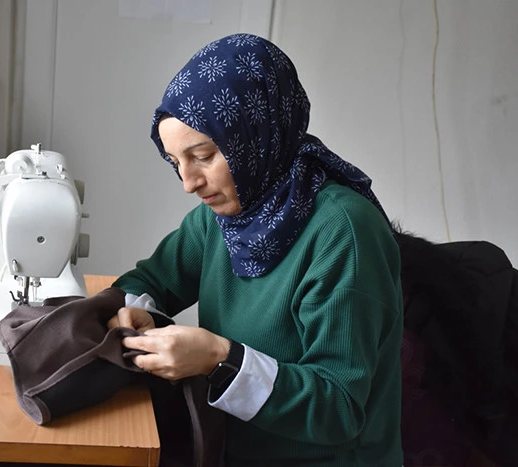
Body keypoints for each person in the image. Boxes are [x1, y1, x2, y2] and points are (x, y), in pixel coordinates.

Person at [107, 33, 404, 466]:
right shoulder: (227, 215)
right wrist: (137, 312)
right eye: (176, 162)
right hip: (228, 449)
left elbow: (339, 407)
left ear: (254, 134)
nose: (189, 183)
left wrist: (218, 359)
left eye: (203, 156)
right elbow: (150, 280)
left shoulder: (343, 233)